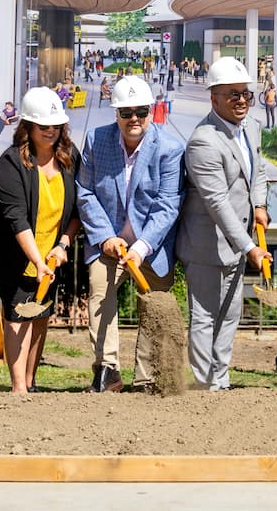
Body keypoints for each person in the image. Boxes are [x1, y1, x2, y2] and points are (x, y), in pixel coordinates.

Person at [76, 76, 185, 392]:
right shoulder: (97, 140)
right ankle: (107, 370)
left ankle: (146, 377)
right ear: (116, 114)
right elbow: (84, 191)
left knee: (153, 305)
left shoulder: (169, 148)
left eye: (140, 111)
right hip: (108, 244)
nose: (133, 119)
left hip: (152, 247)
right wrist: (106, 237)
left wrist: (141, 246)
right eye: (126, 112)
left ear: (151, 111)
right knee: (100, 294)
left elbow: (168, 205)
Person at [176, 57, 271, 391]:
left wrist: (259, 204)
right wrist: (250, 248)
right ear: (213, 98)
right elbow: (216, 201)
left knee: (230, 315)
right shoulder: (203, 141)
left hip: (238, 242)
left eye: (245, 93)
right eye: (232, 94)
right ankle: (203, 386)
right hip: (206, 244)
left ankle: (221, 379)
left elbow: (258, 170)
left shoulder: (252, 128)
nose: (241, 100)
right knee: (203, 316)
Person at [0, 87, 81, 393]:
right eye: (43, 126)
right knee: (18, 313)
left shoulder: (69, 157)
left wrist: (63, 244)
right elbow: (16, 219)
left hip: (52, 250)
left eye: (56, 125)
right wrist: (36, 261)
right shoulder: (10, 164)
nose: (51, 131)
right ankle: (18, 387)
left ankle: (32, 383)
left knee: (41, 314)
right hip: (12, 251)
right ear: (27, 127)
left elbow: (78, 208)